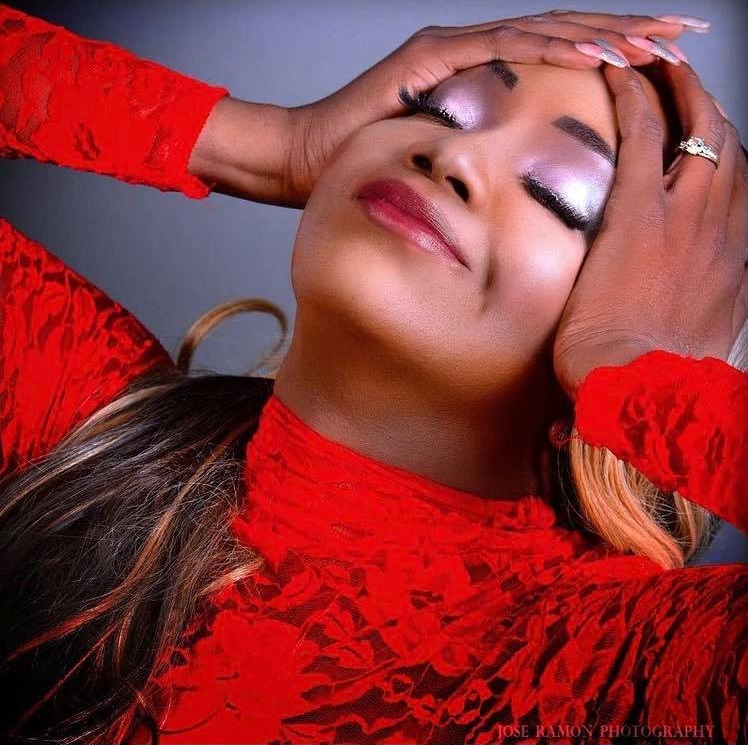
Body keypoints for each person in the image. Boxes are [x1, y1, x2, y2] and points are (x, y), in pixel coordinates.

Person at [0, 4, 746, 745]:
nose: (452, 157)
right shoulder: (89, 427)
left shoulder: (611, 664)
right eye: (442, 110)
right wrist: (263, 143)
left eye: (558, 192)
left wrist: (635, 373)